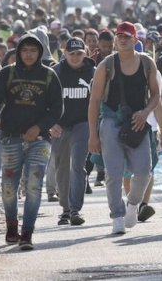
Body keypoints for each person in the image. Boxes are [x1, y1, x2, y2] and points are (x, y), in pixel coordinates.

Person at [87, 21, 162, 235]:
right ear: (115, 39)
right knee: (113, 174)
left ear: (135, 39)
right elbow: (94, 101)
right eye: (120, 36)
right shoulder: (106, 65)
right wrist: (93, 134)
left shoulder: (147, 63)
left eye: (127, 37)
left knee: (144, 171)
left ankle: (133, 204)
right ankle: (117, 216)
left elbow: (156, 95)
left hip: (138, 123)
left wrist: (145, 113)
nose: (123, 40)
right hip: (111, 121)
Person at [0, 33, 64, 250]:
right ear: (19, 52)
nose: (29, 54)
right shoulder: (8, 73)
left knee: (34, 185)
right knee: (8, 188)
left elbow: (57, 108)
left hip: (40, 140)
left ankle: (27, 233)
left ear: (40, 52)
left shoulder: (49, 76)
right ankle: (12, 225)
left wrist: (39, 127)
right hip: (10, 138)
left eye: (33, 50)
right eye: (25, 50)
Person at [51, 37, 96, 226]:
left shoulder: (93, 72)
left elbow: (99, 101)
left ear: (85, 53)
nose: (76, 57)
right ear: (65, 54)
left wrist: (96, 128)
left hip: (83, 123)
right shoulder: (55, 72)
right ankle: (66, 209)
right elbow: (45, 101)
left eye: (79, 53)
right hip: (60, 124)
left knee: (77, 164)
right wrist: (51, 123)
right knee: (61, 167)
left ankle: (75, 209)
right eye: (72, 54)